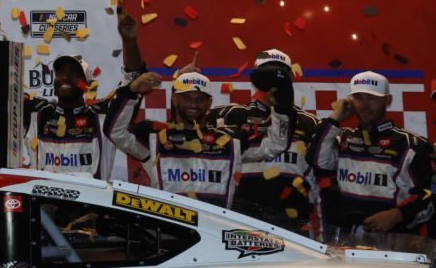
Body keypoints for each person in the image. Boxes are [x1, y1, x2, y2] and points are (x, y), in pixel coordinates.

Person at [107, 62, 293, 207]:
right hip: (168, 233)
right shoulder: (156, 137)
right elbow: (116, 133)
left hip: (214, 234)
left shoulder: (230, 141)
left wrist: (282, 106)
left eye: (201, 99)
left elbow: (276, 144)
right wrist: (130, 92)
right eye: (186, 98)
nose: (194, 105)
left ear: (210, 103)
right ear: (174, 99)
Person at [25, 5, 150, 180]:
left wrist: (130, 42)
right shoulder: (36, 113)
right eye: (60, 73)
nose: (65, 77)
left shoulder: (102, 116)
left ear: (86, 84)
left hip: (91, 198)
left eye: (74, 73)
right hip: (42, 198)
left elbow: (132, 82)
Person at [208, 48, 323, 235]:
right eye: (267, 76)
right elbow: (188, 130)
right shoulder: (229, 115)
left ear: (290, 79)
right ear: (256, 80)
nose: (274, 83)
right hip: (238, 222)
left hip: (294, 226)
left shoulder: (311, 123)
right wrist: (181, 85)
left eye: (280, 76)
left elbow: (324, 176)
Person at [311, 71, 434, 237]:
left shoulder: (411, 145)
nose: (364, 105)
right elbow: (316, 161)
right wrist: (335, 118)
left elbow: (430, 196)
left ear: (388, 100)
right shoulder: (342, 139)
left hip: (396, 243)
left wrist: (398, 215)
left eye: (371, 98)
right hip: (345, 242)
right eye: (358, 98)